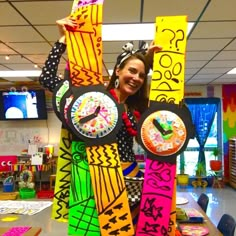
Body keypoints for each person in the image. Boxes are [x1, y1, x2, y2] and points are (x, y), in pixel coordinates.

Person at [39, 16, 162, 227]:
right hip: (98, 181)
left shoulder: (136, 109)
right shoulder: (94, 99)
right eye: (131, 71)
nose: (136, 78)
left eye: (141, 75)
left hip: (131, 181)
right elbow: (47, 78)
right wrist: (63, 41)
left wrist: (152, 60)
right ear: (118, 71)